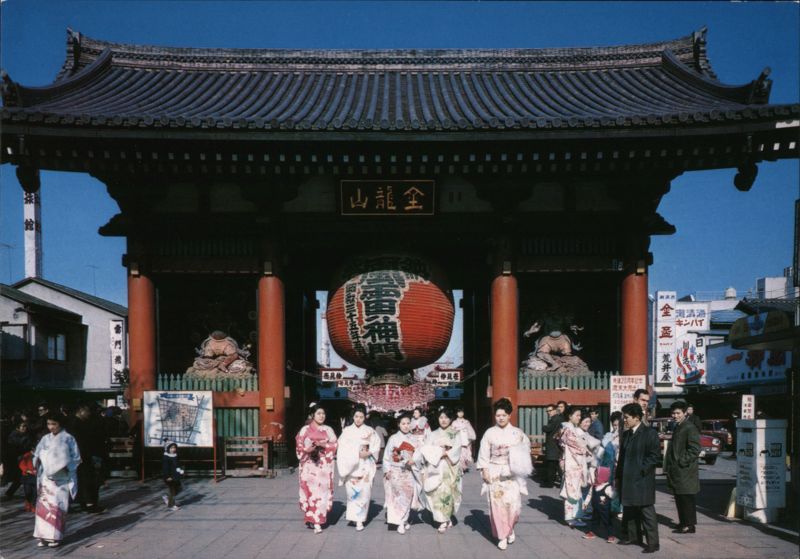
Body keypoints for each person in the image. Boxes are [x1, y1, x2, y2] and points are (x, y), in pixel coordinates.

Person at [477, 398, 532, 550]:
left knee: (514, 506)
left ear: (509, 415)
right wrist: (484, 469)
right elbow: (483, 453)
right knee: (497, 506)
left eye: (503, 415)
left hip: (512, 473)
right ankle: (502, 535)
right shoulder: (489, 433)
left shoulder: (517, 433)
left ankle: (510, 528)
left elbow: (525, 452)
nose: (500, 418)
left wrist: (520, 463)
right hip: (494, 471)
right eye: (498, 415)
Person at [615, 403, 661, 553]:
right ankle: (633, 537)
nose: (624, 420)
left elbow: (654, 456)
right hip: (627, 479)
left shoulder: (649, 433)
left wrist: (641, 470)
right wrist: (618, 476)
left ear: (636, 417)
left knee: (646, 511)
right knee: (629, 510)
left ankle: (653, 543)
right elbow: (621, 458)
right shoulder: (627, 434)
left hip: (642, 480)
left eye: (626, 417)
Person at [413, 406, 465, 533]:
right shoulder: (432, 434)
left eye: (446, 417)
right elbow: (426, 450)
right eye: (441, 417)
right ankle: (442, 520)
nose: (443, 420)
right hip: (435, 467)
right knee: (436, 492)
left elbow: (457, 449)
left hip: (449, 467)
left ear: (451, 419)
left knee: (449, 493)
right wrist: (435, 455)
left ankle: (445, 518)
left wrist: (445, 453)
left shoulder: (455, 434)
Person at [32, 414, 81, 548]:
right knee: (44, 506)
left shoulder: (68, 438)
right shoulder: (45, 438)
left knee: (58, 507)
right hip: (46, 478)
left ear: (60, 424)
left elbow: (76, 458)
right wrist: (38, 460)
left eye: (54, 424)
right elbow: (36, 454)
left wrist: (65, 466)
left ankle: (56, 537)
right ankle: (42, 535)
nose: (51, 427)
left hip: (61, 478)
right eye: (49, 424)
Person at [337, 404, 381, 531]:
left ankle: (360, 520)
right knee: (352, 494)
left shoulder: (370, 431)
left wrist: (370, 452)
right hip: (351, 466)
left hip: (365, 465)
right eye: (356, 416)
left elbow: (376, 446)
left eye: (361, 417)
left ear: (365, 417)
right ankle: (353, 516)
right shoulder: (347, 431)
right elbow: (341, 449)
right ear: (353, 416)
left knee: (364, 493)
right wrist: (355, 454)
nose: (358, 419)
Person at [295, 402, 338, 534]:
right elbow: (299, 447)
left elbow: (335, 444)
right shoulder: (305, 430)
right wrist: (308, 449)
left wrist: (324, 446)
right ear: (312, 415)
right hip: (309, 465)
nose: (321, 416)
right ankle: (312, 518)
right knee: (311, 493)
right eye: (318, 413)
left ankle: (317, 520)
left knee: (322, 493)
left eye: (323, 413)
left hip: (323, 466)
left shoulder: (328, 430)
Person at [664, 401, 701, 534]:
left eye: (678, 413)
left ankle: (689, 525)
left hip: (685, 470)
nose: (675, 415)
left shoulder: (689, 427)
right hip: (678, 470)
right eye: (673, 413)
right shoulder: (679, 426)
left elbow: (695, 449)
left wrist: (681, 462)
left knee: (686, 498)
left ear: (685, 413)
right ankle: (684, 522)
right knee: (680, 497)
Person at [383, 412, 422, 534]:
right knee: (396, 497)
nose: (406, 426)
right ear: (398, 424)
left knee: (407, 496)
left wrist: (414, 460)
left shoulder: (414, 439)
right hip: (395, 470)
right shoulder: (393, 438)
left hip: (409, 471)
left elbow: (419, 454)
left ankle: (404, 520)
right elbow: (386, 456)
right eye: (403, 423)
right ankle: (399, 521)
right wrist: (387, 470)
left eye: (408, 423)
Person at [559, 407, 595, 527]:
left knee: (576, 490)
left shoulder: (571, 429)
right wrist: (586, 447)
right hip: (572, 464)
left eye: (580, 415)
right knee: (571, 491)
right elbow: (578, 446)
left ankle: (576, 515)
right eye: (577, 415)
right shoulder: (567, 430)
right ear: (570, 416)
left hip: (576, 464)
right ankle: (570, 518)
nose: (579, 418)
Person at [69, 404, 105, 513]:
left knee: (84, 480)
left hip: (83, 455)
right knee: (85, 479)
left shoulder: (80, 423)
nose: (88, 413)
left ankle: (86, 502)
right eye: (87, 411)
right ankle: (88, 503)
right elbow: (79, 442)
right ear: (80, 411)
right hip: (81, 455)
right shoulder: (76, 424)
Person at [5, 421, 32, 499]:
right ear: (18, 427)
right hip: (17, 459)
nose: (24, 428)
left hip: (23, 458)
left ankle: (10, 492)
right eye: (22, 426)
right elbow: (17, 445)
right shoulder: (14, 435)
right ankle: (11, 493)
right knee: (20, 476)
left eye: (25, 426)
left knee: (21, 477)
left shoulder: (25, 435)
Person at [541, 404, 562, 488]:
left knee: (552, 464)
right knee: (555, 464)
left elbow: (548, 428)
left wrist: (543, 427)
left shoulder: (555, 419)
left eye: (550, 410)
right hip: (555, 445)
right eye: (547, 411)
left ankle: (550, 483)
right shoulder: (558, 418)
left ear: (555, 410)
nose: (548, 412)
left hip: (553, 445)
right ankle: (554, 481)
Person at [452, 406, 477, 472]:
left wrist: (471, 437)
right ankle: (462, 467)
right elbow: (452, 431)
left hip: (466, 439)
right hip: (459, 439)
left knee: (467, 454)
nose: (460, 413)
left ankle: (464, 466)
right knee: (461, 455)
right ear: (456, 413)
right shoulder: (454, 422)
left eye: (461, 412)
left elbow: (470, 430)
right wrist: (456, 430)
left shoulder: (467, 422)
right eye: (459, 412)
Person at [161, 442, 183, 510]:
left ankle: (167, 497)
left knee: (179, 488)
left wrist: (180, 470)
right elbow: (165, 468)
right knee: (172, 491)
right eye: (171, 448)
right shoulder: (166, 457)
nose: (173, 449)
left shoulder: (176, 455)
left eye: (174, 447)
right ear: (168, 448)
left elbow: (178, 464)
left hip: (176, 475)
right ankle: (171, 505)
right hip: (169, 476)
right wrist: (167, 476)